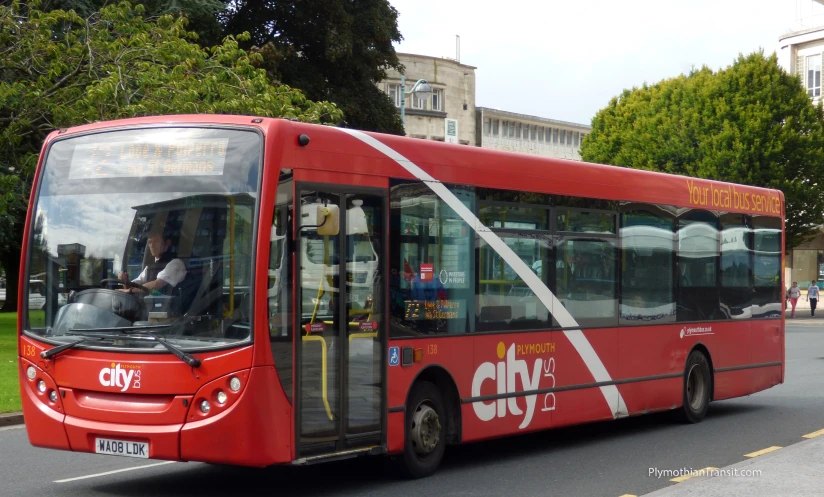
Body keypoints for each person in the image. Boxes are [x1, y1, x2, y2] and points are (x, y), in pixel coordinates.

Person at [119, 231, 185, 295]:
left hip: (169, 305)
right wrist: (125, 281)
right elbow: (134, 286)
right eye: (150, 242)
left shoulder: (176, 263)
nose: (152, 245)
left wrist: (130, 291)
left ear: (167, 243)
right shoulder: (150, 266)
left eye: (156, 241)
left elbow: (157, 284)